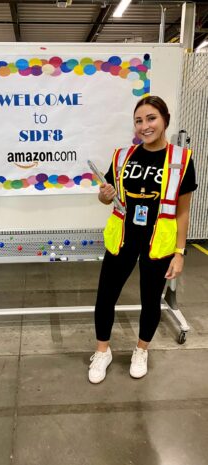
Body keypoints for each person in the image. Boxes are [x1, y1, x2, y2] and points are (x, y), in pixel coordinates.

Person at [88, 95, 197, 383]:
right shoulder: (123, 156)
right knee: (105, 297)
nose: (145, 126)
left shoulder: (181, 160)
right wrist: (104, 195)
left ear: (164, 120)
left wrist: (179, 252)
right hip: (123, 238)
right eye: (139, 120)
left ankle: (141, 350)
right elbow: (106, 196)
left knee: (151, 300)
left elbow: (183, 212)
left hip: (158, 242)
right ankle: (102, 352)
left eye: (151, 118)